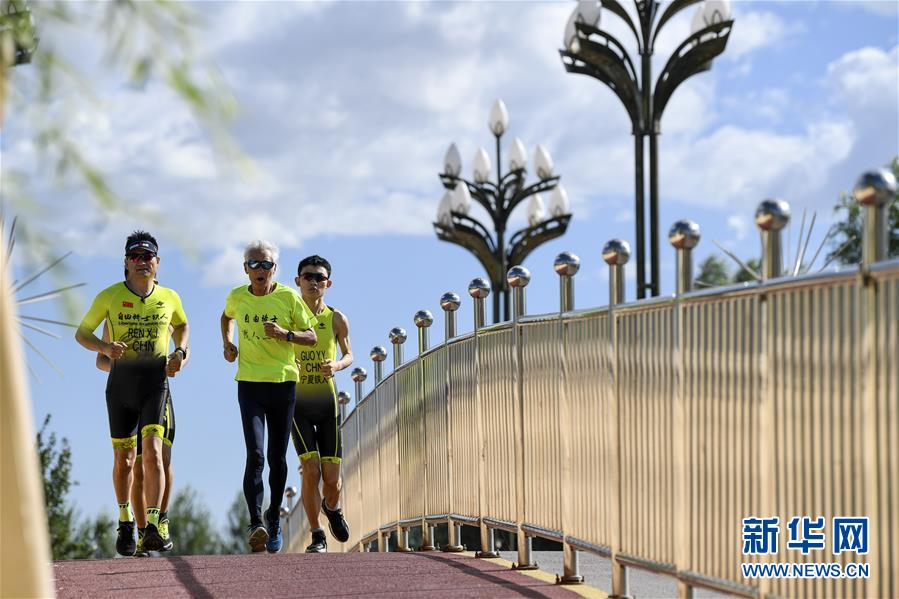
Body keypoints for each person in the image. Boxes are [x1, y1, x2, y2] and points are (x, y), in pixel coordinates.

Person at [75, 231, 189, 556]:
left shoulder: (169, 297)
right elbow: (81, 333)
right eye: (135, 256)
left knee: (153, 453)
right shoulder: (109, 296)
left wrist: (180, 353)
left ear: (158, 262)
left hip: (155, 385)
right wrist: (105, 348)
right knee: (124, 461)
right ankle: (125, 518)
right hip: (121, 387)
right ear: (126, 262)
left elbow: (183, 326)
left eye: (147, 256)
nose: (142, 262)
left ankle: (153, 524)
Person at [221, 240, 317, 553]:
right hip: (249, 384)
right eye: (254, 264)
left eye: (266, 264)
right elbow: (226, 317)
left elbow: (311, 336)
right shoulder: (237, 296)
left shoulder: (289, 297)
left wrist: (284, 334)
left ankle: (273, 516)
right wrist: (228, 343)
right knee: (256, 454)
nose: (260, 269)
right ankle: (255, 523)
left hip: (282, 383)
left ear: (275, 269)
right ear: (245, 268)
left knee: (277, 458)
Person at [96, 321, 180, 556]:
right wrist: (123, 366)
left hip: (157, 393)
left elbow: (184, 349)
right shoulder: (116, 316)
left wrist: (177, 362)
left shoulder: (165, 310)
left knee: (162, 457)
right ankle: (143, 531)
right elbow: (100, 360)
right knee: (136, 465)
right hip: (128, 393)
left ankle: (161, 520)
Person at [292, 255, 353, 553]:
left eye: (320, 278)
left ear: (329, 283)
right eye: (308, 276)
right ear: (297, 281)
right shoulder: (288, 315)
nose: (314, 282)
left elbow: (349, 354)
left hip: (328, 405)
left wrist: (337, 365)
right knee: (310, 469)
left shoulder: (336, 318)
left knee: (332, 481)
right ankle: (317, 534)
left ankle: (332, 508)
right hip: (298, 404)